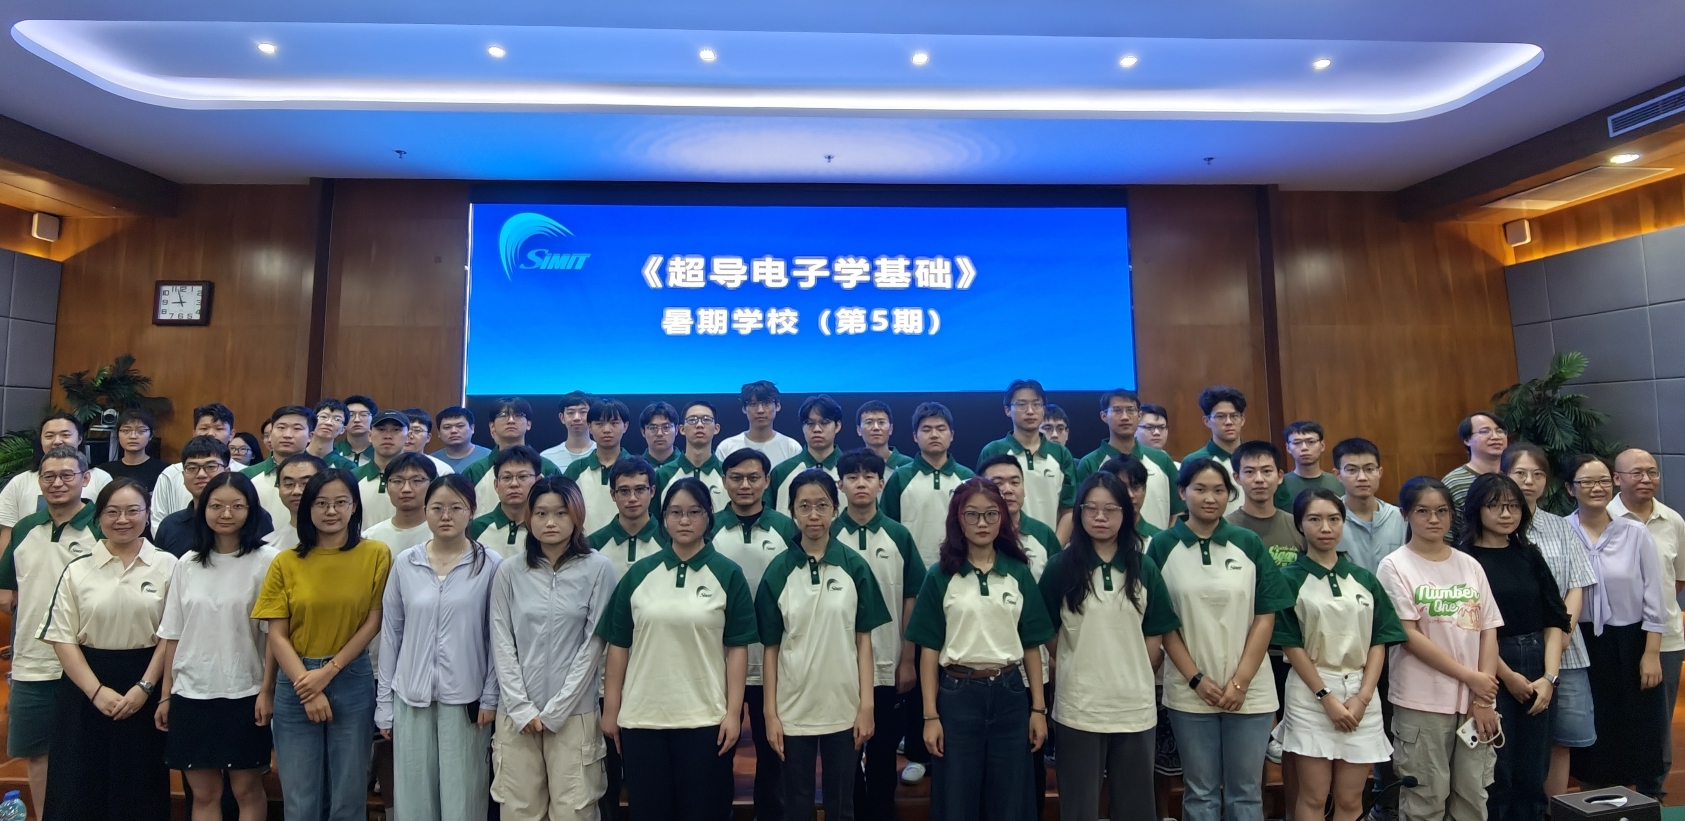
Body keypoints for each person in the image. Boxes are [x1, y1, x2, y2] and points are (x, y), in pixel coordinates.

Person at [598, 477, 759, 821]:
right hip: (643, 718)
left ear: (708, 515)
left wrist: (733, 713)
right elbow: (618, 645)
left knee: (705, 811)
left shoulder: (728, 574)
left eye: (694, 512)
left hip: (706, 718)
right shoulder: (640, 574)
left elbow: (737, 650)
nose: (684, 520)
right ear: (664, 517)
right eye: (675, 512)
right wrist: (611, 710)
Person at [1148, 458, 1293, 821]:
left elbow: (1266, 615)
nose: (1210, 498)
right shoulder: (1162, 546)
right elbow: (1164, 623)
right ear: (1182, 492)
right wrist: (1196, 679)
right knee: (1200, 793)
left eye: (1218, 490)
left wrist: (1240, 682)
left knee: (1246, 793)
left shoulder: (1248, 542)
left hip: (1250, 691)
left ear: (1230, 494)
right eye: (1199, 489)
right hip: (1189, 691)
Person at [906, 477, 1055, 821]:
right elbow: (928, 651)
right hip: (958, 695)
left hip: (1010, 693)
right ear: (958, 519)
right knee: (956, 797)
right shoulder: (940, 575)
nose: (982, 523)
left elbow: (1032, 646)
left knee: (1011, 799)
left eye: (991, 514)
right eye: (972, 514)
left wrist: (1038, 708)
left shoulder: (1018, 572)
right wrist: (930, 716)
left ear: (1002, 517)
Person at [1038, 472, 1180, 821]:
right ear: (1079, 512)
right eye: (1091, 508)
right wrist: (1075, 659)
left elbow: (1156, 631)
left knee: (1135, 807)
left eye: (1111, 509)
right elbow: (1048, 632)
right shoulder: (1060, 567)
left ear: (1125, 514)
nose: (1100, 517)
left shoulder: (1143, 566)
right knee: (1079, 806)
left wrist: (1135, 668)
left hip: (1134, 705)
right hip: (1079, 706)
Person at [252, 468, 392, 821]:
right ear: (308, 509)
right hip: (295, 680)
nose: (331, 511)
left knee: (348, 793)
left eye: (340, 502)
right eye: (321, 503)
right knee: (300, 796)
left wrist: (327, 673)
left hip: (351, 677)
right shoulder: (286, 561)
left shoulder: (376, 554)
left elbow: (373, 621)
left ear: (354, 506)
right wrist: (308, 686)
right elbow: (277, 634)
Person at [759, 469, 890, 821]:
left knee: (842, 807)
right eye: (804, 506)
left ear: (835, 509)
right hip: (792, 708)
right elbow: (770, 649)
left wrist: (866, 706)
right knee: (796, 806)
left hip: (843, 707)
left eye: (822, 505)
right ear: (792, 511)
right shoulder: (778, 571)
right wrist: (771, 714)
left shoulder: (855, 566)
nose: (813, 515)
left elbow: (864, 641)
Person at [40, 478, 175, 820]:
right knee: (78, 787)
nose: (122, 519)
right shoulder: (78, 569)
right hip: (85, 685)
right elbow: (62, 637)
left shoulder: (169, 566)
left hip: (145, 683)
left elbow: (172, 635)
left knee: (139, 788)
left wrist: (145, 687)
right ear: (98, 517)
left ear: (147, 515)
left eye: (133, 511)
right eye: (112, 512)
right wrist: (96, 691)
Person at [490, 475, 617, 821]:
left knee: (574, 810)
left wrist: (557, 710)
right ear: (528, 517)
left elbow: (593, 645)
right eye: (541, 513)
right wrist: (520, 708)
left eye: (561, 513)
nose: (550, 522)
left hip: (574, 714)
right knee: (518, 811)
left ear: (577, 516)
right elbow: (501, 642)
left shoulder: (598, 569)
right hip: (517, 715)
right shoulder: (509, 571)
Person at [1376, 476, 1502, 821]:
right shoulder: (1394, 566)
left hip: (1475, 701)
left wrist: (1483, 698)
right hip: (1422, 700)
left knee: (1473, 796)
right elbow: (1408, 635)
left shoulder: (1469, 564)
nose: (1434, 519)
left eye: (1442, 511)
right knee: (1425, 799)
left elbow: (1488, 629)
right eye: (1423, 511)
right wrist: (1470, 677)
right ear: (1405, 514)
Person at [1274, 489, 1405, 821]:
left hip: (1361, 690)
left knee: (1350, 799)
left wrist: (1363, 697)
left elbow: (1379, 640)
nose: (1326, 527)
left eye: (1334, 519)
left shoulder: (1363, 578)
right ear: (1300, 525)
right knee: (1313, 796)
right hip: (1311, 693)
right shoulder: (1289, 578)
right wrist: (1326, 697)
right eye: (1314, 519)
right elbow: (1291, 644)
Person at [155, 471, 279, 821]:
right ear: (203, 509)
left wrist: (266, 691)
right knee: (204, 793)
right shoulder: (187, 563)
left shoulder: (268, 561)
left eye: (237, 506)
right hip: (191, 692)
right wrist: (166, 695)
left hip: (245, 691)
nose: (226, 514)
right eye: (216, 506)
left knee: (246, 789)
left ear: (251, 510)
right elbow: (173, 633)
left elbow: (274, 635)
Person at [377, 473, 501, 821]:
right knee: (414, 798)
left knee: (463, 798)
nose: (446, 516)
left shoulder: (490, 564)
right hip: (411, 697)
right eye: (437, 508)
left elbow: (497, 637)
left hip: (466, 700)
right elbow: (391, 634)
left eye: (456, 508)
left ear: (472, 511)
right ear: (426, 511)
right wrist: (384, 703)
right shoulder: (406, 562)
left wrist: (490, 697)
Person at [1452, 473, 1570, 821]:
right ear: (1477, 510)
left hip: (1537, 659)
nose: (1507, 514)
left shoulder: (1529, 555)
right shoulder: (1462, 559)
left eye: (1514, 506)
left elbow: (1555, 618)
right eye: (1496, 506)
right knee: (1496, 769)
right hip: (1489, 664)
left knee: (1534, 768)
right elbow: (1470, 629)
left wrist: (1549, 677)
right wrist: (1508, 676)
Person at [0, 445, 101, 815]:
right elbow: (8, 592)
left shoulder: (102, 526)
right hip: (31, 662)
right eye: (49, 476)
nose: (57, 483)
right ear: (39, 481)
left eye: (67, 475)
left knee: (87, 754)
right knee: (38, 756)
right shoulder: (25, 527)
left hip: (89, 662)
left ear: (85, 478)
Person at [1563, 454, 1667, 795]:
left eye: (1604, 481)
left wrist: (1651, 653)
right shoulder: (1561, 532)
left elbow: (1654, 596)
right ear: (1570, 489)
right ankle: (1596, 801)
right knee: (1594, 725)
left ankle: (1641, 802)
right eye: (1587, 482)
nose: (1597, 488)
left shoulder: (1634, 532)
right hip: (1580, 641)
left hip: (1631, 642)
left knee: (1637, 726)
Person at [831, 449, 926, 820]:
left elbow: (911, 597)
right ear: (840, 485)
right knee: (845, 752)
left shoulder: (898, 535)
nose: (861, 484)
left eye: (868, 476)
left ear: (881, 483)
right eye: (852, 477)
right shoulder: (828, 534)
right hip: (839, 665)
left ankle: (882, 812)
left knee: (884, 751)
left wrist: (907, 658)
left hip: (888, 662)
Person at [1500, 443, 1596, 801]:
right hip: (1509, 653)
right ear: (1503, 475)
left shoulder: (1560, 526)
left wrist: (1563, 632)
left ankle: (1555, 811)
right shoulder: (1491, 528)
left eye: (1538, 474)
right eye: (1520, 473)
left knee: (1562, 738)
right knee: (1514, 739)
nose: (1529, 481)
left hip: (1567, 651)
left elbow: (1577, 584)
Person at [710, 448, 800, 821]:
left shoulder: (786, 528)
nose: (744, 485)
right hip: (720, 661)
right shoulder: (709, 527)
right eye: (736, 477)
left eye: (753, 477)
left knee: (773, 753)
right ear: (724, 481)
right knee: (717, 753)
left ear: (767, 481)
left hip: (771, 660)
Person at [1607, 447, 1685, 799]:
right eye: (1636, 472)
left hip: (1666, 638)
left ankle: (1654, 793)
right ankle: (1615, 794)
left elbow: (1676, 579)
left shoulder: (1673, 520)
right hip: (1614, 637)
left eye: (1652, 472)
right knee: (1617, 715)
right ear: (1616, 478)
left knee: (1659, 722)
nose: (1646, 479)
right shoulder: (1602, 518)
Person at [882, 401, 974, 569]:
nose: (934, 435)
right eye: (926, 429)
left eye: (941, 429)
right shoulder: (900, 477)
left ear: (952, 435)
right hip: (910, 569)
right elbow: (887, 528)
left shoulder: (967, 477)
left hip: (959, 567)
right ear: (915, 436)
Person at [1072, 389, 1181, 531]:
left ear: (1139, 416)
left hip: (1155, 543)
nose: (1125, 417)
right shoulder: (1090, 463)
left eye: (1130, 410)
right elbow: (1081, 514)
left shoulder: (1161, 459)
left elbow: (1178, 511)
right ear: (1104, 416)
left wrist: (1165, 541)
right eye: (1117, 410)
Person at [0, 413, 114, 547]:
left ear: (79, 439)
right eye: (49, 436)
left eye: (65, 435)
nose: (57, 441)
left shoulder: (101, 479)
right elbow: (8, 534)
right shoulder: (19, 482)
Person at [979, 379, 1074, 534]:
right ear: (1007, 410)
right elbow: (981, 502)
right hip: (1001, 544)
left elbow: (1068, 509)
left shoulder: (1060, 454)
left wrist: (1052, 545)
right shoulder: (993, 450)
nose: (1030, 411)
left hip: (1048, 545)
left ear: (1043, 409)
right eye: (1021, 404)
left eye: (1036, 404)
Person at [155, 436, 273, 558]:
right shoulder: (170, 525)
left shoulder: (255, 517)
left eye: (211, 466)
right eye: (192, 468)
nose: (201, 474)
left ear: (227, 471)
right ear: (183, 475)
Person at [462, 398, 562, 512]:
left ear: (529, 424)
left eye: (518, 415)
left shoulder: (547, 468)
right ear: (492, 426)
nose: (511, 420)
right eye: (503, 415)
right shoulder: (475, 471)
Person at [155, 404, 242, 528]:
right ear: (194, 432)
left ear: (232, 434)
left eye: (219, 428)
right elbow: (158, 519)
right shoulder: (171, 473)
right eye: (204, 428)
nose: (210, 434)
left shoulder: (245, 473)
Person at [976, 455, 1062, 579]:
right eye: (998, 483)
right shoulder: (974, 534)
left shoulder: (1043, 534)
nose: (1008, 490)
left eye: (1015, 482)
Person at [1331, 438, 1405, 575]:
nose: (1362, 477)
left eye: (1369, 469)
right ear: (1338, 475)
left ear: (1380, 472)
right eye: (1352, 470)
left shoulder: (1400, 518)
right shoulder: (1329, 519)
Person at [1227, 440, 1304, 571]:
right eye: (1249, 472)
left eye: (1267, 471)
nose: (1259, 479)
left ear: (1280, 476)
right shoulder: (1225, 528)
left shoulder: (1298, 526)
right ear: (1237, 478)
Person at [563, 399, 635, 537]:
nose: (606, 430)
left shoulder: (639, 469)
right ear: (589, 427)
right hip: (583, 546)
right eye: (599, 424)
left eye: (614, 423)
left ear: (625, 426)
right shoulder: (575, 470)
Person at [244, 406, 325, 527]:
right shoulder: (247, 475)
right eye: (281, 428)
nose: (287, 435)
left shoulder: (323, 474)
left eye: (297, 428)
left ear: (310, 436)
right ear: (270, 433)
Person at [588, 458, 667, 579]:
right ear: (613, 495)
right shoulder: (592, 545)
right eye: (624, 491)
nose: (632, 498)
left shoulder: (671, 542)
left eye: (640, 489)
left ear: (652, 491)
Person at [767, 395, 846, 513]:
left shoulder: (852, 472)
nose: (817, 429)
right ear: (802, 427)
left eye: (824, 422)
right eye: (809, 423)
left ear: (838, 426)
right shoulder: (782, 472)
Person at [1180, 386, 1248, 515]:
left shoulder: (1256, 457)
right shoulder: (1194, 460)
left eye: (1234, 416)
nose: (1228, 422)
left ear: (1242, 419)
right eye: (1220, 416)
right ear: (1207, 421)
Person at [1441, 412, 1508, 542]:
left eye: (1500, 431)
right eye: (1484, 431)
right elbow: (1446, 535)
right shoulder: (1454, 482)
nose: (1495, 437)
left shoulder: (1513, 476)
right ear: (1467, 440)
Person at [470, 446, 545, 559]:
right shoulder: (475, 528)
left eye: (522, 476)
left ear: (538, 481)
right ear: (496, 485)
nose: (514, 484)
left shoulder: (546, 527)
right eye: (506, 477)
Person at [655, 401, 729, 512]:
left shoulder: (728, 474)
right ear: (681, 429)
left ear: (716, 428)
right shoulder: (663, 474)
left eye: (706, 419)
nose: (699, 425)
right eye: (692, 420)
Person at [363, 453, 441, 559]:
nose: (406, 489)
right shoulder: (370, 537)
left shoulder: (444, 534)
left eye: (417, 481)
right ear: (387, 487)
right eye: (397, 481)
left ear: (432, 486)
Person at [714, 380, 803, 466]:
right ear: (744, 409)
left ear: (777, 406)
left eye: (766, 403)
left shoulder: (791, 447)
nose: (760, 410)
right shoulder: (727, 447)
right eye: (753, 404)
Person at [354, 410, 415, 525]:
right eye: (381, 430)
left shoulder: (422, 477)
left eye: (396, 430)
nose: (388, 436)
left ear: (408, 436)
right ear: (370, 436)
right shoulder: (353, 476)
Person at [263, 453, 325, 552]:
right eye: (289, 484)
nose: (296, 491)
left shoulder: (346, 540)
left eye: (305, 483)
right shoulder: (268, 546)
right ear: (279, 488)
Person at [95, 408, 166, 491]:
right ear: (117, 435)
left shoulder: (165, 471)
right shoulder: (103, 471)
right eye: (126, 431)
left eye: (141, 431)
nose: (133, 436)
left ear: (151, 435)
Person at [1097, 454, 1163, 540]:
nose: (1130, 495)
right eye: (1122, 487)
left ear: (1145, 490)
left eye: (1135, 486)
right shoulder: (1092, 537)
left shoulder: (1159, 540)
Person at [1281, 421, 1345, 505]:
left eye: (1311, 442)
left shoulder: (1340, 482)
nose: (1304, 448)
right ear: (1288, 448)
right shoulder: (1279, 483)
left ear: (1322, 445)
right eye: (1297, 442)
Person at [538, 391, 596, 472]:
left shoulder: (603, 453)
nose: (576, 418)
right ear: (562, 417)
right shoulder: (546, 457)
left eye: (583, 412)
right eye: (570, 413)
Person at [431, 406, 491, 474]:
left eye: (460, 426)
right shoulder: (431, 461)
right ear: (439, 433)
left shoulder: (489, 457)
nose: (453, 431)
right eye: (447, 427)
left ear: (472, 428)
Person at [856, 400, 913, 472]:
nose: (876, 428)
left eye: (881, 422)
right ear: (859, 430)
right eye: (869, 422)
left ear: (891, 429)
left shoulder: (908, 464)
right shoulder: (853, 464)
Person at [305, 399, 361, 470]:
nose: (329, 423)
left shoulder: (347, 466)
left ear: (343, 429)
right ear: (312, 422)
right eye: (323, 417)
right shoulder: (295, 459)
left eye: (337, 419)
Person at [402, 409, 457, 476]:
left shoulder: (442, 470)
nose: (409, 436)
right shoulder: (389, 464)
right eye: (403, 430)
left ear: (428, 437)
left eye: (417, 430)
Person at [334, 395, 379, 466]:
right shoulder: (333, 450)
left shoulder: (381, 451)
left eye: (364, 414)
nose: (357, 420)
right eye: (351, 415)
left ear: (373, 418)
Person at [638, 401, 681, 467]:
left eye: (666, 427)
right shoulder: (634, 468)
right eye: (653, 428)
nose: (659, 433)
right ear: (643, 432)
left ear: (676, 430)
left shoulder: (689, 463)